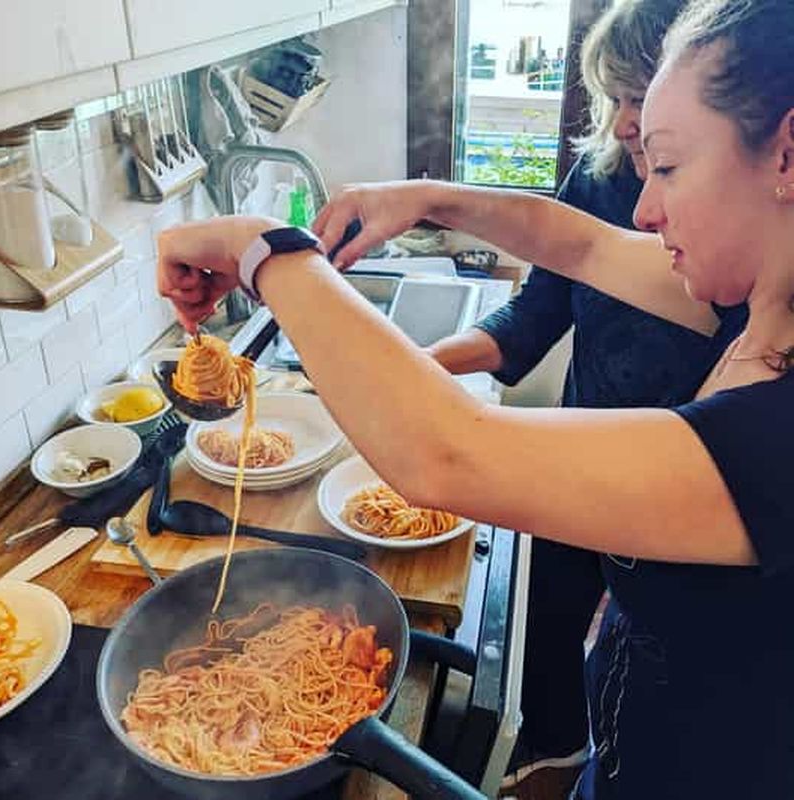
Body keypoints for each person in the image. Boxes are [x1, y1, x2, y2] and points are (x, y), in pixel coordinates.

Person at [158, 0, 794, 796]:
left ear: (787, 154)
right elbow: (582, 243)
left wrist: (259, 250)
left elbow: (445, 452)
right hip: (639, 743)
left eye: (665, 164)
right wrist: (424, 198)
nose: (643, 207)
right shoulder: (755, 304)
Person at [426, 2, 702, 794]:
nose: (622, 123)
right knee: (546, 623)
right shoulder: (604, 178)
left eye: (639, 98)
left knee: (645, 649)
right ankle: (553, 755)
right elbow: (534, 316)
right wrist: (420, 364)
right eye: (612, 97)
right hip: (583, 447)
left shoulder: (737, 249)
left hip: (671, 480)